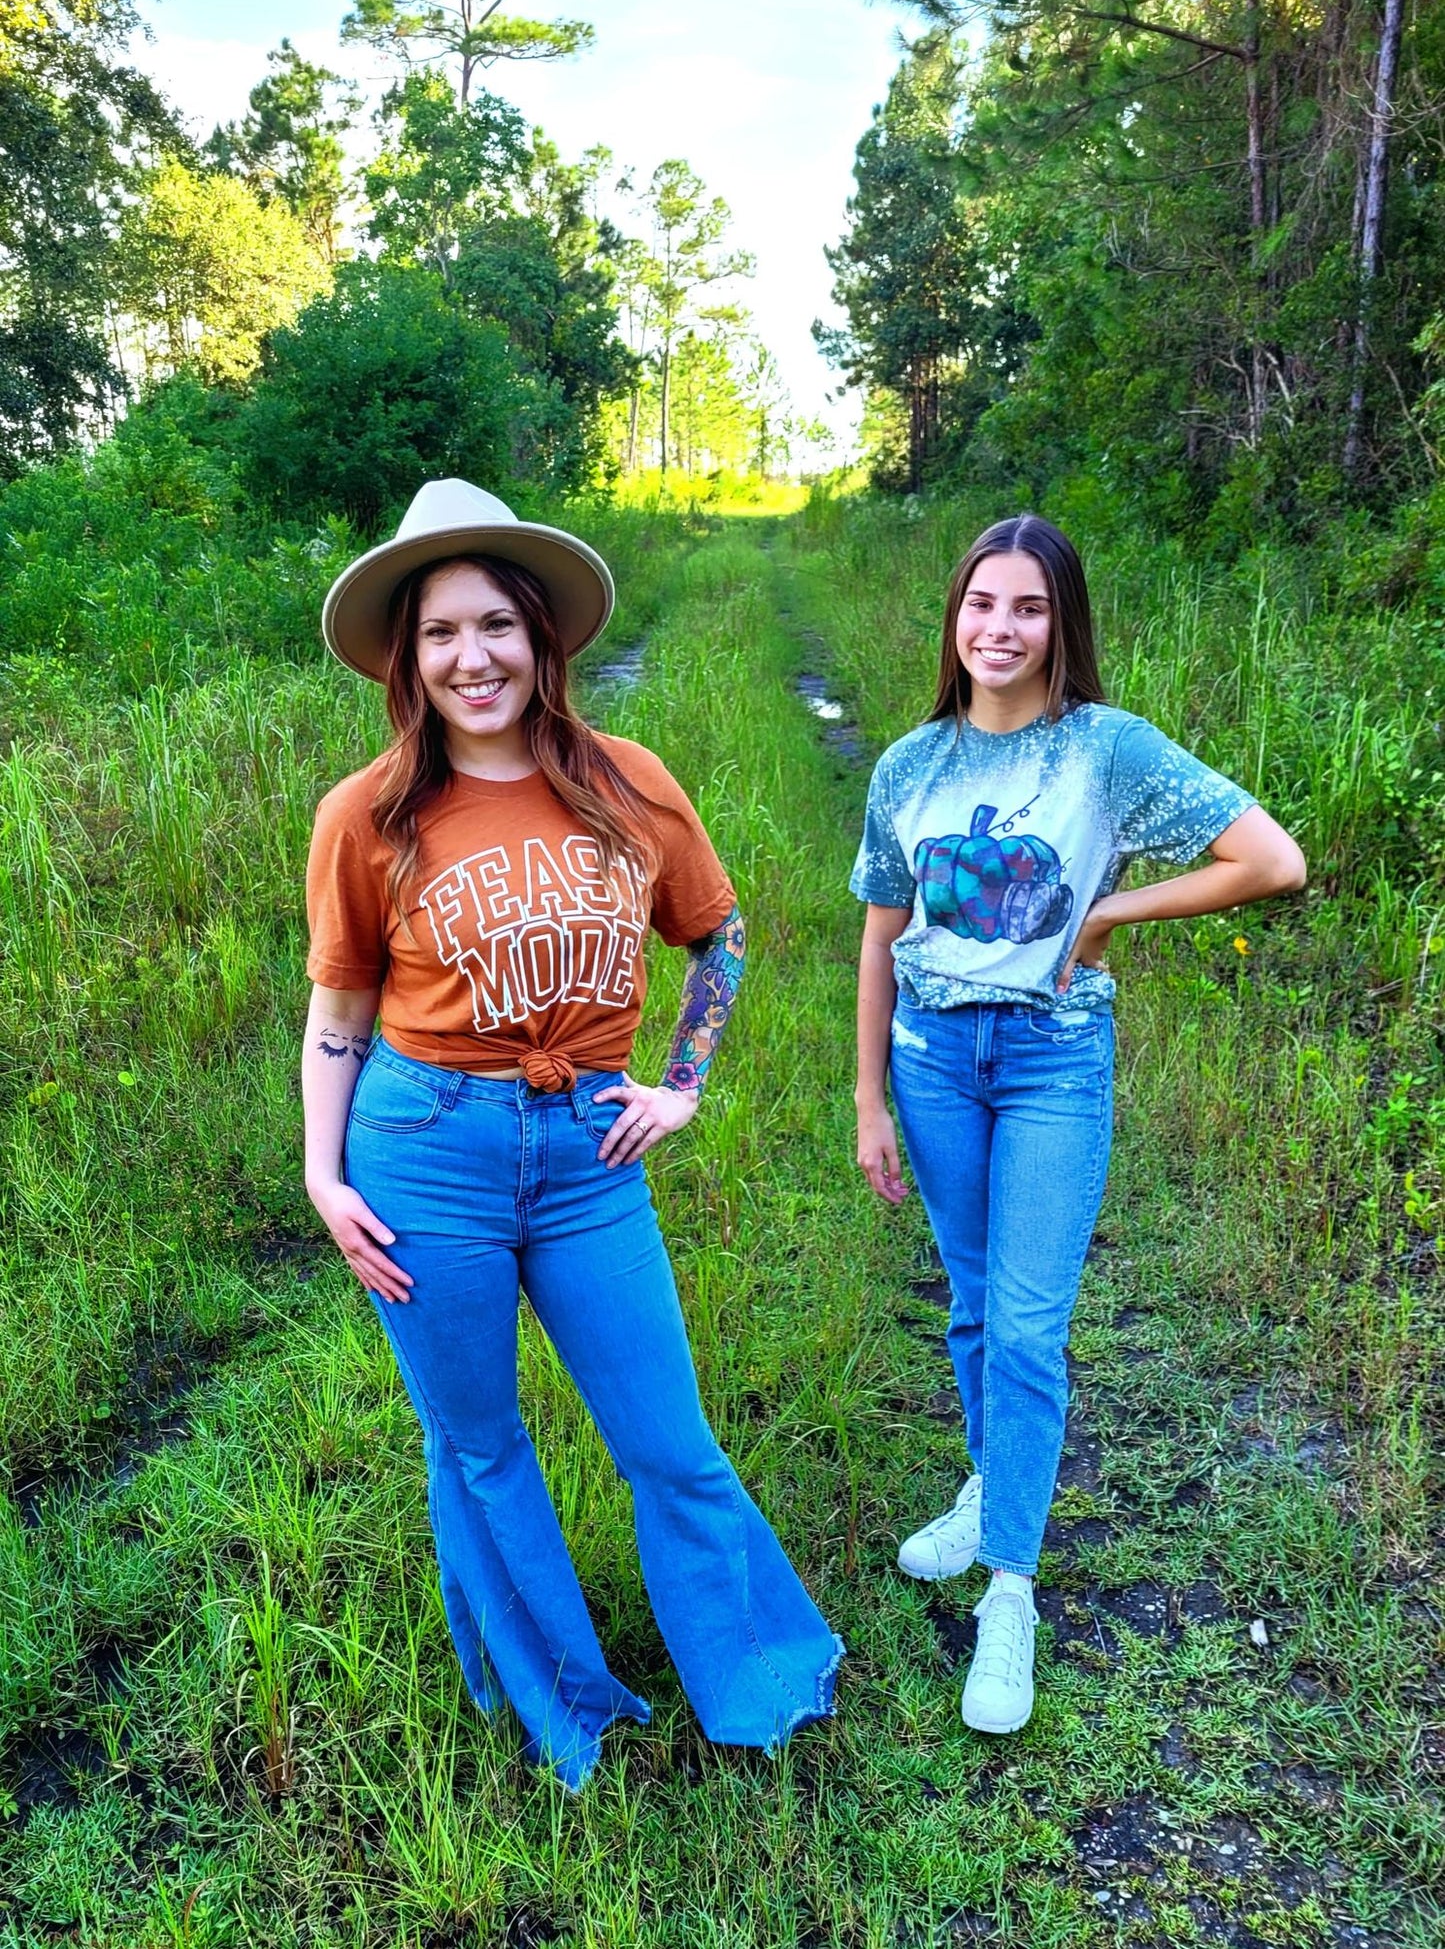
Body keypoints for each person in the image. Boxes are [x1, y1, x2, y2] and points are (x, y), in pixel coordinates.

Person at [302, 478, 842, 1790]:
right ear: (406, 658)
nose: (471, 656)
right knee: (479, 1437)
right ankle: (562, 1702)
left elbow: (718, 934)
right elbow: (340, 1002)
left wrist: (685, 1082)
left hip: (592, 1157)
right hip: (426, 1147)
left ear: (544, 640)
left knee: (670, 1437)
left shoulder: (628, 784)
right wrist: (322, 1174)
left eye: (496, 624)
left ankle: (759, 1676)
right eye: (439, 633)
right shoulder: (364, 814)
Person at [850, 514, 1305, 1735]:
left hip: (1051, 1059)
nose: (999, 629)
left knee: (1032, 1326)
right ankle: (994, 1484)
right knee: (971, 1301)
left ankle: (1010, 1591)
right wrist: (864, 1097)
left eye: (1028, 609)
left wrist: (1108, 912)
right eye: (980, 605)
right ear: (954, 618)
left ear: (1062, 624)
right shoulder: (908, 765)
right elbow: (882, 931)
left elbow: (1270, 860)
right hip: (932, 1058)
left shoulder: (1104, 750)